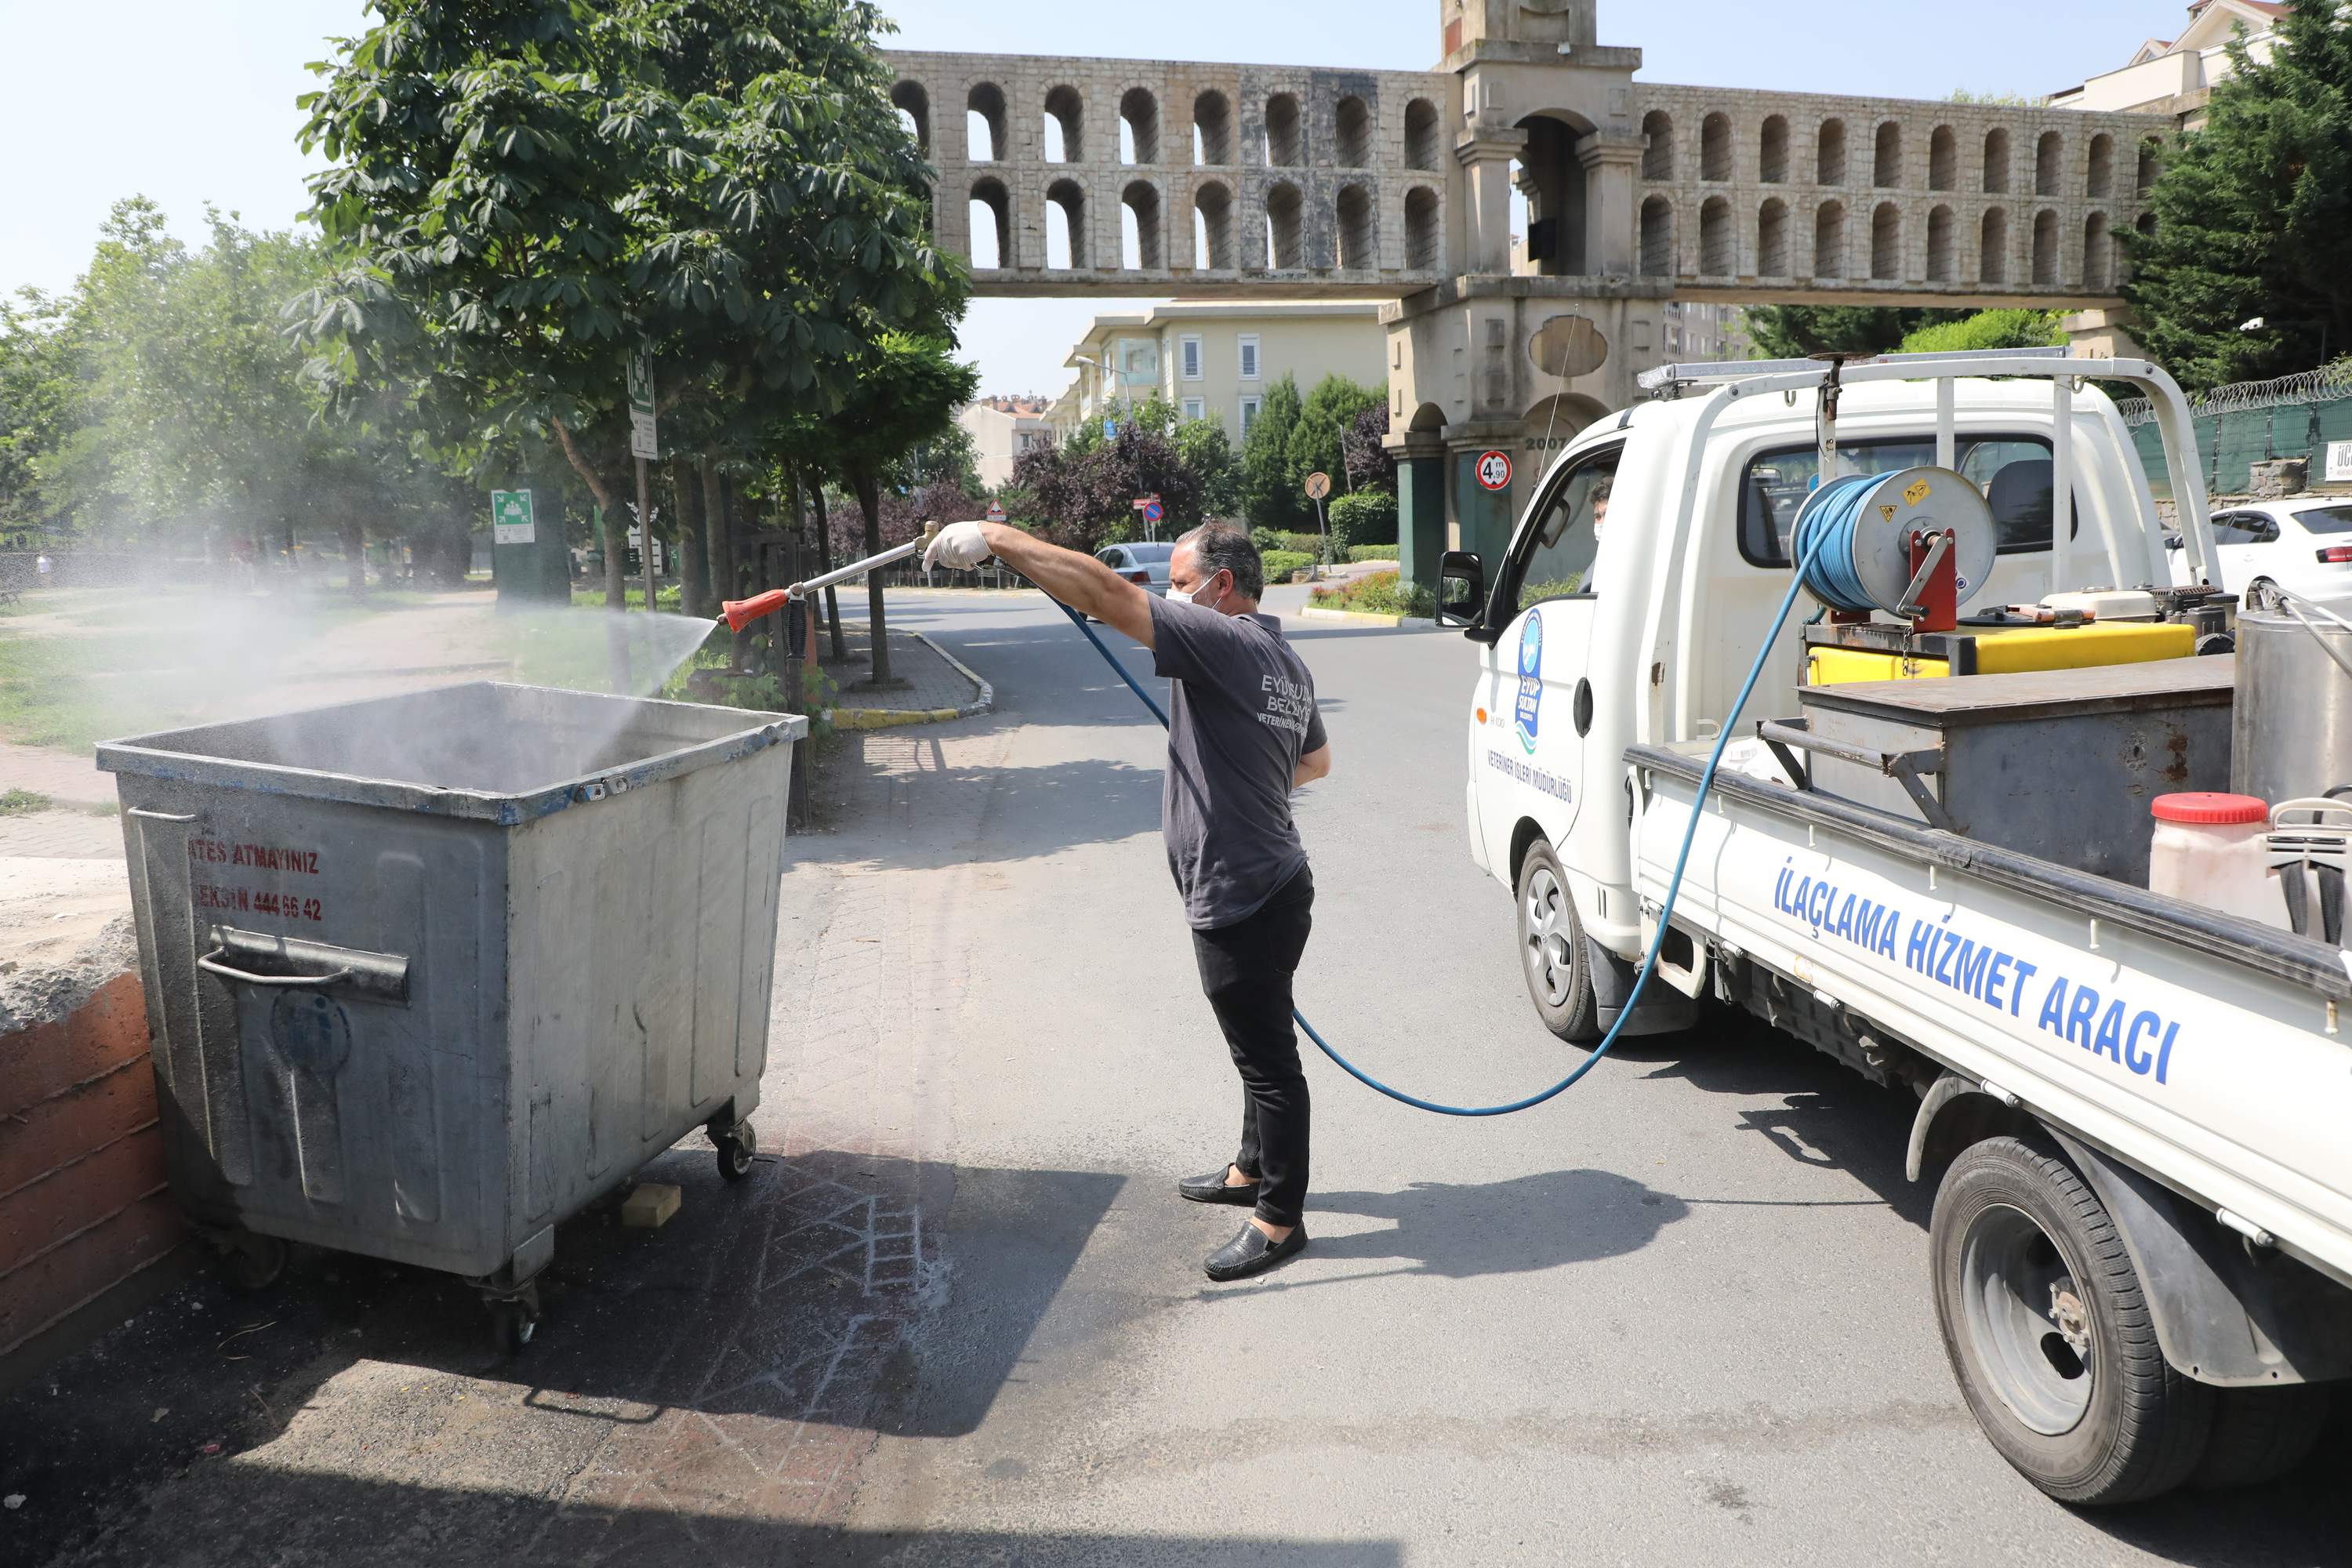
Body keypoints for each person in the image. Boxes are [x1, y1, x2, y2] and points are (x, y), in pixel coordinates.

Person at [924, 518, 1333, 1281]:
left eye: (1178, 584)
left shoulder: (1222, 639)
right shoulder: (1283, 658)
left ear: (1220, 587)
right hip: (1276, 881)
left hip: (1246, 894)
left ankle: (1280, 1217)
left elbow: (1109, 593)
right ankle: (1251, 1166)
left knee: (1269, 1060)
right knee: (1255, 1039)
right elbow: (1316, 759)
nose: (1168, 598)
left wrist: (998, 538)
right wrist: (1246, 782)